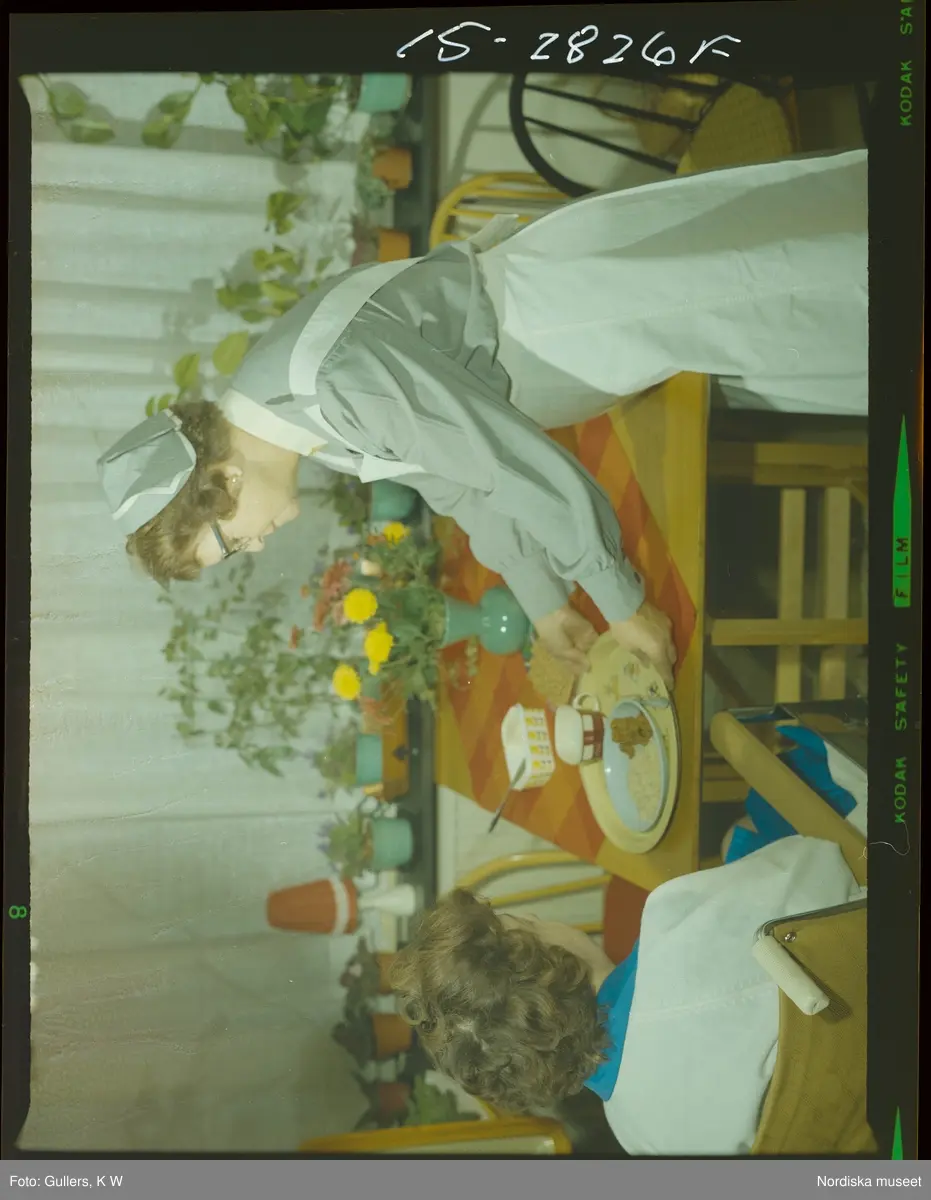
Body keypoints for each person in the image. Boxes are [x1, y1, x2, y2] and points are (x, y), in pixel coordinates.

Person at [98, 149, 867, 687]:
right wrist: (543, 600)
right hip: (578, 334)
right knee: (790, 320)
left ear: (222, 479)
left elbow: (506, 463)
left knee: (803, 289)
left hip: (576, 313)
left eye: (231, 542)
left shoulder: (329, 388)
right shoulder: (298, 417)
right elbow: (459, 484)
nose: (256, 545)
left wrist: (620, 600)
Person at [389, 833, 865, 1156]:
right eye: (527, 922)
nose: (538, 919)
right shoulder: (670, 921)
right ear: (551, 956)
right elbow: (826, 863)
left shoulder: (638, 1138)